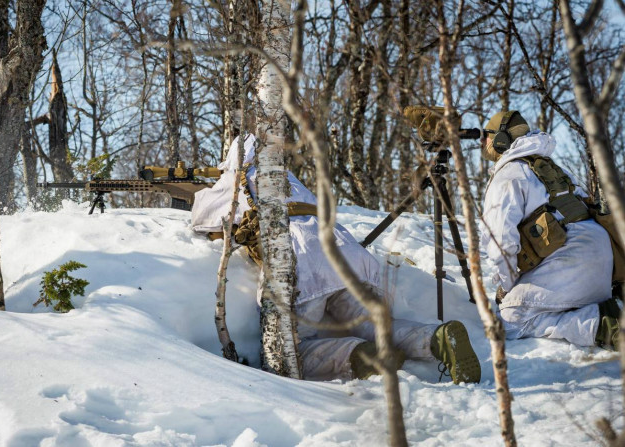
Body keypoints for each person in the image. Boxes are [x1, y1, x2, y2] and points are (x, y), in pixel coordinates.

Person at [192, 132, 481, 383]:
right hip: (348, 258)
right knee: (374, 326)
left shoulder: (239, 178)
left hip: (303, 268)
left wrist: (213, 184)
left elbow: (200, 218)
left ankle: (360, 356)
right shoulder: (288, 179)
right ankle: (436, 339)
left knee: (288, 352)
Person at [479, 110, 620, 349]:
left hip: (571, 264)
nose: (483, 142)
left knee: (510, 319)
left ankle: (604, 325)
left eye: (487, 136)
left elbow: (501, 242)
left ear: (501, 140)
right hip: (602, 263)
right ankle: (604, 305)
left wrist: (506, 286)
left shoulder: (509, 176)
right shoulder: (552, 169)